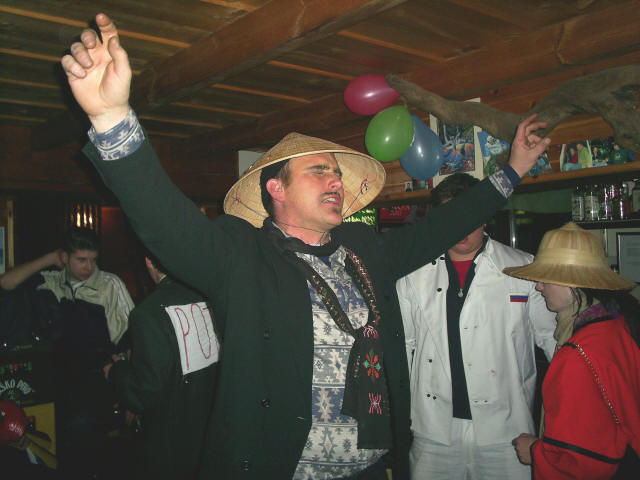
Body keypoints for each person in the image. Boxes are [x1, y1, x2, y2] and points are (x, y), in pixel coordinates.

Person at [60, 13, 550, 479]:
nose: (336, 179)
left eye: (337, 172)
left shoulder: (363, 247)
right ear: (277, 188)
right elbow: (168, 224)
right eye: (319, 170)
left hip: (372, 468)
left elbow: (439, 229)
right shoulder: (243, 256)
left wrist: (513, 170)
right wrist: (112, 120)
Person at [396, 173, 557, 480]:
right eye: (452, 216)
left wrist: (564, 419)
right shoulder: (412, 274)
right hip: (433, 430)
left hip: (508, 430)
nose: (461, 226)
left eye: (469, 215)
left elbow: (555, 344)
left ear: (484, 216)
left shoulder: (523, 269)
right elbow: (403, 348)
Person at [505, 222, 640, 479]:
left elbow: (579, 459)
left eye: (545, 278)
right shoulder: (614, 324)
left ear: (572, 283)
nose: (539, 287)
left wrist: (535, 451)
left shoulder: (577, 354)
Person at [0, 227, 135, 477]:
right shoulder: (52, 281)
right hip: (62, 380)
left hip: (101, 378)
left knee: (84, 440)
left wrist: (131, 397)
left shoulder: (110, 284)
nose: (89, 267)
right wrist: (50, 258)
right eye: (81, 259)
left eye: (93, 259)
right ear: (65, 257)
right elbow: (6, 283)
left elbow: (132, 341)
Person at [104, 252, 219, 479]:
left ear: (148, 261)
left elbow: (144, 393)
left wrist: (116, 371)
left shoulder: (147, 314)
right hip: (212, 430)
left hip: (175, 443)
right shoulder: (209, 296)